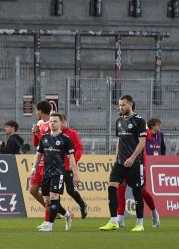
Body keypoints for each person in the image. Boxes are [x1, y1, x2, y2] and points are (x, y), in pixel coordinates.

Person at [99, 96, 148, 232]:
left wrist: (132, 158)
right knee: (111, 188)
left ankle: (139, 223)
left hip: (135, 163)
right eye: (119, 105)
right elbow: (120, 141)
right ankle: (113, 221)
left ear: (131, 105)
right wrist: (117, 158)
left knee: (137, 192)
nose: (121, 108)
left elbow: (142, 142)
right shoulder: (119, 121)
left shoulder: (139, 121)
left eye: (123, 105)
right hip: (120, 163)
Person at [32, 113, 78, 232]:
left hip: (58, 173)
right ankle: (66, 214)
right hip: (46, 173)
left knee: (54, 197)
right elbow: (38, 154)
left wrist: (76, 174)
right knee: (47, 200)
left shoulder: (66, 139)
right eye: (51, 121)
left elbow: (71, 158)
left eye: (55, 121)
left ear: (60, 124)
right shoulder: (44, 138)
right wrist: (34, 168)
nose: (52, 123)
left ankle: (49, 224)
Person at [61, 115, 88, 220]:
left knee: (70, 190)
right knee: (54, 191)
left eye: (62, 121)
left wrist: (73, 162)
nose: (61, 124)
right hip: (57, 167)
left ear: (65, 122)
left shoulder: (72, 133)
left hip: (68, 167)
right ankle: (60, 213)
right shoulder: (55, 134)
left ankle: (82, 205)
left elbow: (79, 149)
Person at [28, 100, 53, 213]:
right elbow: (36, 143)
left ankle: (51, 214)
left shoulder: (52, 123)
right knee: (33, 190)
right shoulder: (39, 124)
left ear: (40, 111)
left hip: (50, 161)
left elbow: (48, 142)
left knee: (49, 192)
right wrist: (35, 133)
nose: (36, 113)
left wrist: (38, 133)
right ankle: (52, 210)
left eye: (36, 110)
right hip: (40, 161)